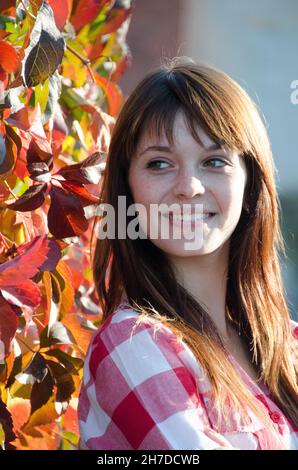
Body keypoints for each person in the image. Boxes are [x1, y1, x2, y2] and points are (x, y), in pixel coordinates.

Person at [78, 57, 298, 450]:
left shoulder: (288, 345)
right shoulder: (132, 345)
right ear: (127, 191)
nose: (189, 187)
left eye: (215, 161)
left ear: (250, 184)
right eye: (159, 163)